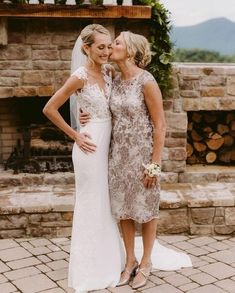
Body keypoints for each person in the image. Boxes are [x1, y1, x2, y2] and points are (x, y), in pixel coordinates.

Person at [80, 31, 192, 290]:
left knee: (146, 210)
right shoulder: (112, 76)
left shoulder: (147, 81)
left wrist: (154, 164)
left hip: (142, 155)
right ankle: (129, 261)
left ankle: (146, 262)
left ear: (130, 50)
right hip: (117, 154)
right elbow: (90, 93)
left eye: (116, 43)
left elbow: (160, 125)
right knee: (123, 208)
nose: (110, 48)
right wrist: (84, 114)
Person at [43, 24, 124, 293]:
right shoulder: (79, 76)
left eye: (109, 45)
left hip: (109, 146)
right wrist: (75, 134)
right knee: (91, 204)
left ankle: (111, 259)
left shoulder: (110, 72)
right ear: (86, 48)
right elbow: (50, 108)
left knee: (106, 203)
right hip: (89, 147)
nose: (106, 51)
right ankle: (88, 268)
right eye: (100, 46)